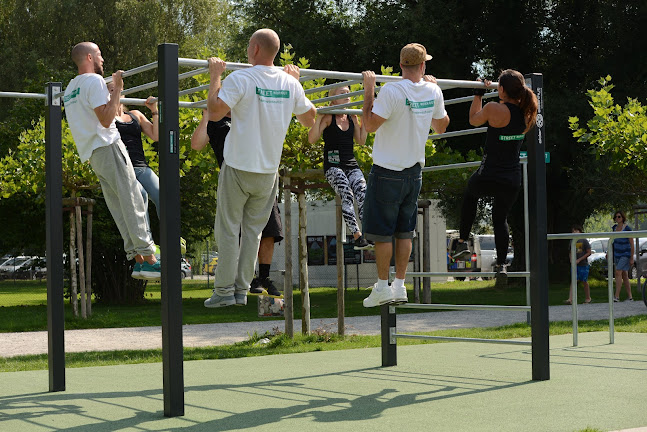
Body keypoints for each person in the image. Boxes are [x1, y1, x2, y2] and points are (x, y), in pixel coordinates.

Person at [203, 29, 316, 308]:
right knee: (253, 232)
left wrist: (215, 75)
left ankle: (223, 292)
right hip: (267, 172)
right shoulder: (289, 83)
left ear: (254, 49)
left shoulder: (241, 77)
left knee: (229, 230)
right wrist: (295, 86)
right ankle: (241, 290)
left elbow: (215, 112)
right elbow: (309, 119)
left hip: (239, 166)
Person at [360, 43, 450, 307]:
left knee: (382, 233)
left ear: (401, 66)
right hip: (414, 173)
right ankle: (399, 286)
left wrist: (369, 92)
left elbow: (369, 125)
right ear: (423, 66)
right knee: (404, 231)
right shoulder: (432, 90)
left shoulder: (392, 90)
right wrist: (433, 92)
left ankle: (382, 287)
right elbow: (441, 126)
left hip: (388, 170)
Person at [63, 42, 159, 279]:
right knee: (133, 198)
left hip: (93, 153)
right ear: (88, 57)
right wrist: (117, 88)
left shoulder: (70, 88)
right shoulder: (94, 81)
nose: (103, 59)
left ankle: (138, 260)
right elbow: (106, 120)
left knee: (119, 204)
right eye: (99, 55)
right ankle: (150, 258)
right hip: (107, 146)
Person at [452, 69, 539, 284]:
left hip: (488, 173)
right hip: (511, 178)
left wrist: (478, 94)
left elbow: (473, 120)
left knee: (470, 196)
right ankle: (501, 264)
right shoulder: (528, 112)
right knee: (500, 219)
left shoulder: (493, 108)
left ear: (500, 89)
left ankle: (462, 241)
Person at [192, 109, 284, 298]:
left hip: (259, 177)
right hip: (235, 182)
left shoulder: (247, 116)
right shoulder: (215, 122)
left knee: (269, 230)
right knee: (237, 232)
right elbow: (196, 144)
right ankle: (242, 280)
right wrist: (207, 115)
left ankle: (263, 277)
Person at [307, 86, 371, 250]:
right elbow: (312, 139)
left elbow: (361, 140)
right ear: (334, 99)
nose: (348, 96)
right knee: (347, 193)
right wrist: (319, 117)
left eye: (349, 93)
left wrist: (364, 122)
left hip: (351, 164)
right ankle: (357, 235)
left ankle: (368, 231)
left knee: (363, 193)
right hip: (333, 166)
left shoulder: (351, 117)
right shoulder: (329, 117)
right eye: (342, 93)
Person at [565, 225, 592, 305]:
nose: (574, 232)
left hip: (583, 264)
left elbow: (589, 252)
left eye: (576, 230)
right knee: (573, 280)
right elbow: (570, 251)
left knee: (584, 281)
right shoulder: (572, 241)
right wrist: (571, 260)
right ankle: (570, 299)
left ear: (580, 231)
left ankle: (588, 298)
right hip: (574, 265)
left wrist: (579, 260)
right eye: (573, 231)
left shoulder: (584, 240)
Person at [611, 210, 634, 302]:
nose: (617, 218)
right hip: (617, 254)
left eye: (619, 216)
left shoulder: (627, 228)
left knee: (617, 272)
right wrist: (609, 252)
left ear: (623, 218)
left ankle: (616, 296)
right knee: (624, 275)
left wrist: (632, 257)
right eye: (616, 217)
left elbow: (631, 244)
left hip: (625, 254)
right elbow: (612, 241)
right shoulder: (614, 228)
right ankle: (630, 297)